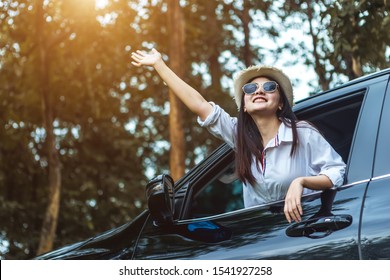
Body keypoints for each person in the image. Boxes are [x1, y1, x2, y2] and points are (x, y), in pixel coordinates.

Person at [131, 48, 346, 223]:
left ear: (281, 103)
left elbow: (336, 170)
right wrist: (159, 64)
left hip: (307, 230)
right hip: (261, 238)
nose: (259, 91)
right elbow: (199, 104)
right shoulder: (239, 136)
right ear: (243, 105)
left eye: (269, 87)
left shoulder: (302, 133)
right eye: (250, 88)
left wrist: (301, 182)